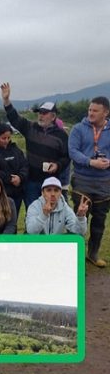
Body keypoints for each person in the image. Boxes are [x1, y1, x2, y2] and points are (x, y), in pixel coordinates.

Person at [0, 83, 70, 207]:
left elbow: (66, 157)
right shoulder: (30, 127)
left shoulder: (62, 135)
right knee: (32, 214)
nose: (40, 115)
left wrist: (57, 165)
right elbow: (14, 118)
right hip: (31, 181)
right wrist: (6, 100)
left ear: (53, 116)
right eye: (39, 112)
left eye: (44, 113)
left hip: (50, 182)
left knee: (50, 214)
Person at [68, 96, 110, 267]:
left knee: (99, 220)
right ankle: (74, 256)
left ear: (105, 113)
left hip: (104, 182)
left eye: (95, 110)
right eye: (89, 110)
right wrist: (90, 162)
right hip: (82, 180)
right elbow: (72, 151)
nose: (91, 113)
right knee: (80, 217)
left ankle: (93, 253)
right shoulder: (78, 129)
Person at [0, 123, 29, 214]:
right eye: (3, 138)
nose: (6, 141)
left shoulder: (15, 149)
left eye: (8, 138)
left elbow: (24, 165)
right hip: (2, 191)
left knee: (14, 218)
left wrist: (20, 177)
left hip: (17, 190)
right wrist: (9, 179)